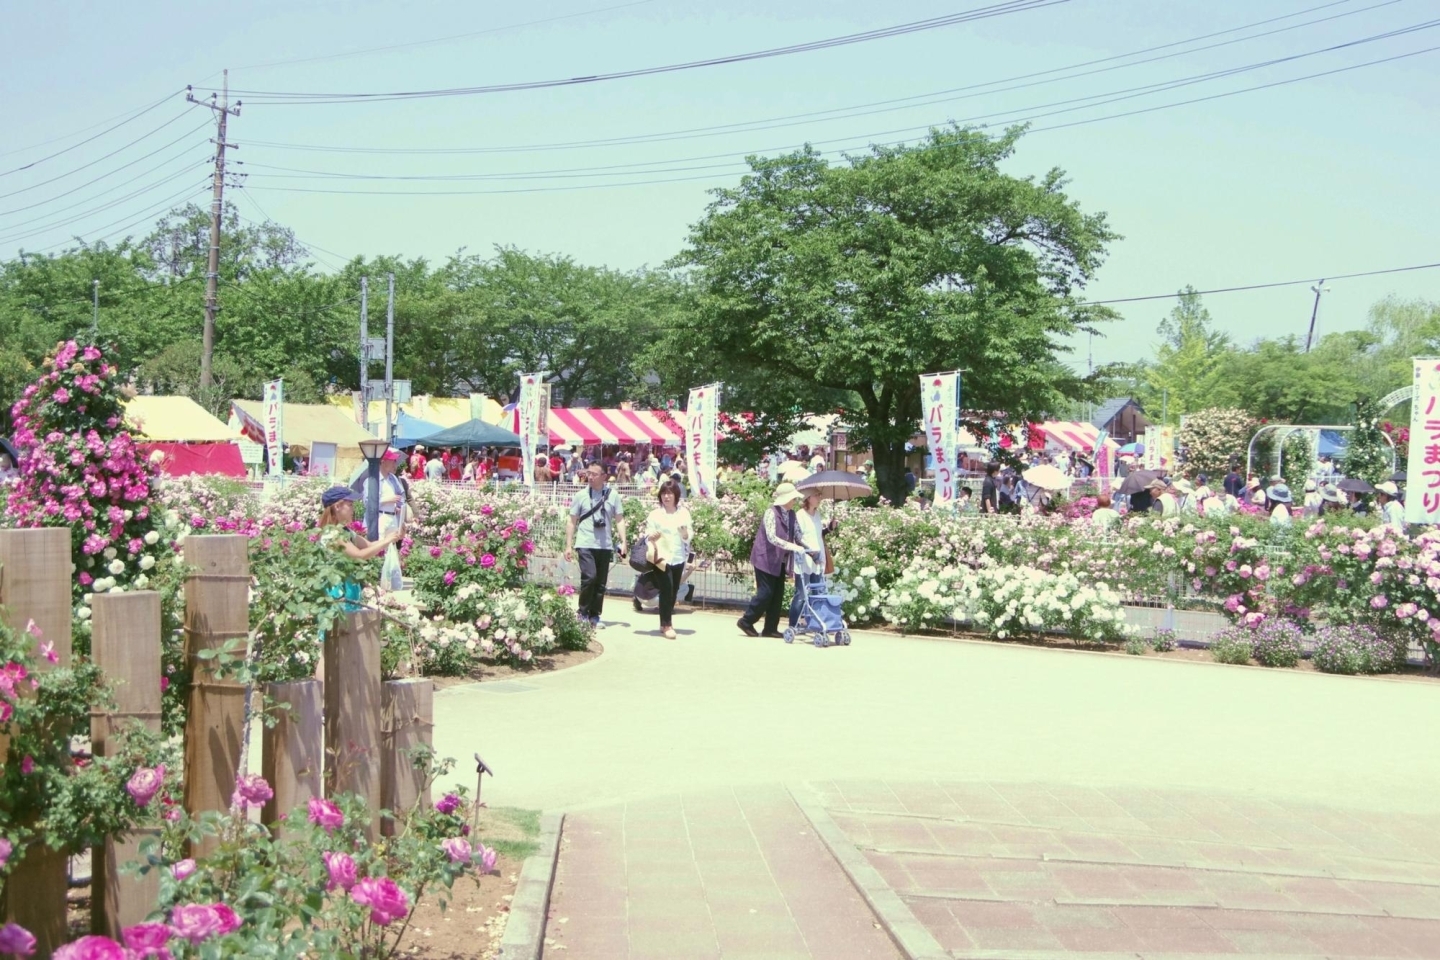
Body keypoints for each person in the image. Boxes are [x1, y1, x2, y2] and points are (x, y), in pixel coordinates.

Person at [738, 482, 807, 638]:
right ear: (786, 499)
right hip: (765, 558)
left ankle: (770, 628)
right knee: (765, 593)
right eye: (793, 498)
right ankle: (746, 621)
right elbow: (772, 537)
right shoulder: (771, 513)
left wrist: (809, 548)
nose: (795, 501)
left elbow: (798, 535)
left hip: (780, 560)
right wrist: (793, 546)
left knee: (777, 594)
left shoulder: (791, 514)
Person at [563, 462, 628, 627]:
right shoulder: (580, 495)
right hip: (585, 543)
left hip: (605, 545)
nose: (590, 477)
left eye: (594, 474)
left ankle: (594, 616)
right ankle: (582, 612)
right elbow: (572, 521)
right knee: (589, 578)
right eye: (588, 473)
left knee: (600, 583)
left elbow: (619, 519)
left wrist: (623, 541)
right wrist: (568, 545)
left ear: (604, 477)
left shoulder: (613, 495)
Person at [639, 479, 692, 640]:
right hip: (661, 557)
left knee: (674, 590)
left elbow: (689, 533)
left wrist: (685, 535)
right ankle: (667, 624)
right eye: (663, 493)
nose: (666, 497)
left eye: (669, 493)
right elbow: (648, 533)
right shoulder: (655, 514)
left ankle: (664, 622)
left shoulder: (683, 513)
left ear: (676, 495)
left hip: (678, 556)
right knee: (666, 588)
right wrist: (651, 536)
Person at [787, 489, 830, 631]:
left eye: (819, 495)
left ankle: (817, 624)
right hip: (805, 559)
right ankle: (792, 625)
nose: (819, 498)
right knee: (801, 593)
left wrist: (829, 528)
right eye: (817, 495)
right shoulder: (800, 515)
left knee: (818, 593)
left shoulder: (817, 514)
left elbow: (817, 534)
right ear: (808, 498)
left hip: (818, 559)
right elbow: (798, 538)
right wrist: (812, 554)